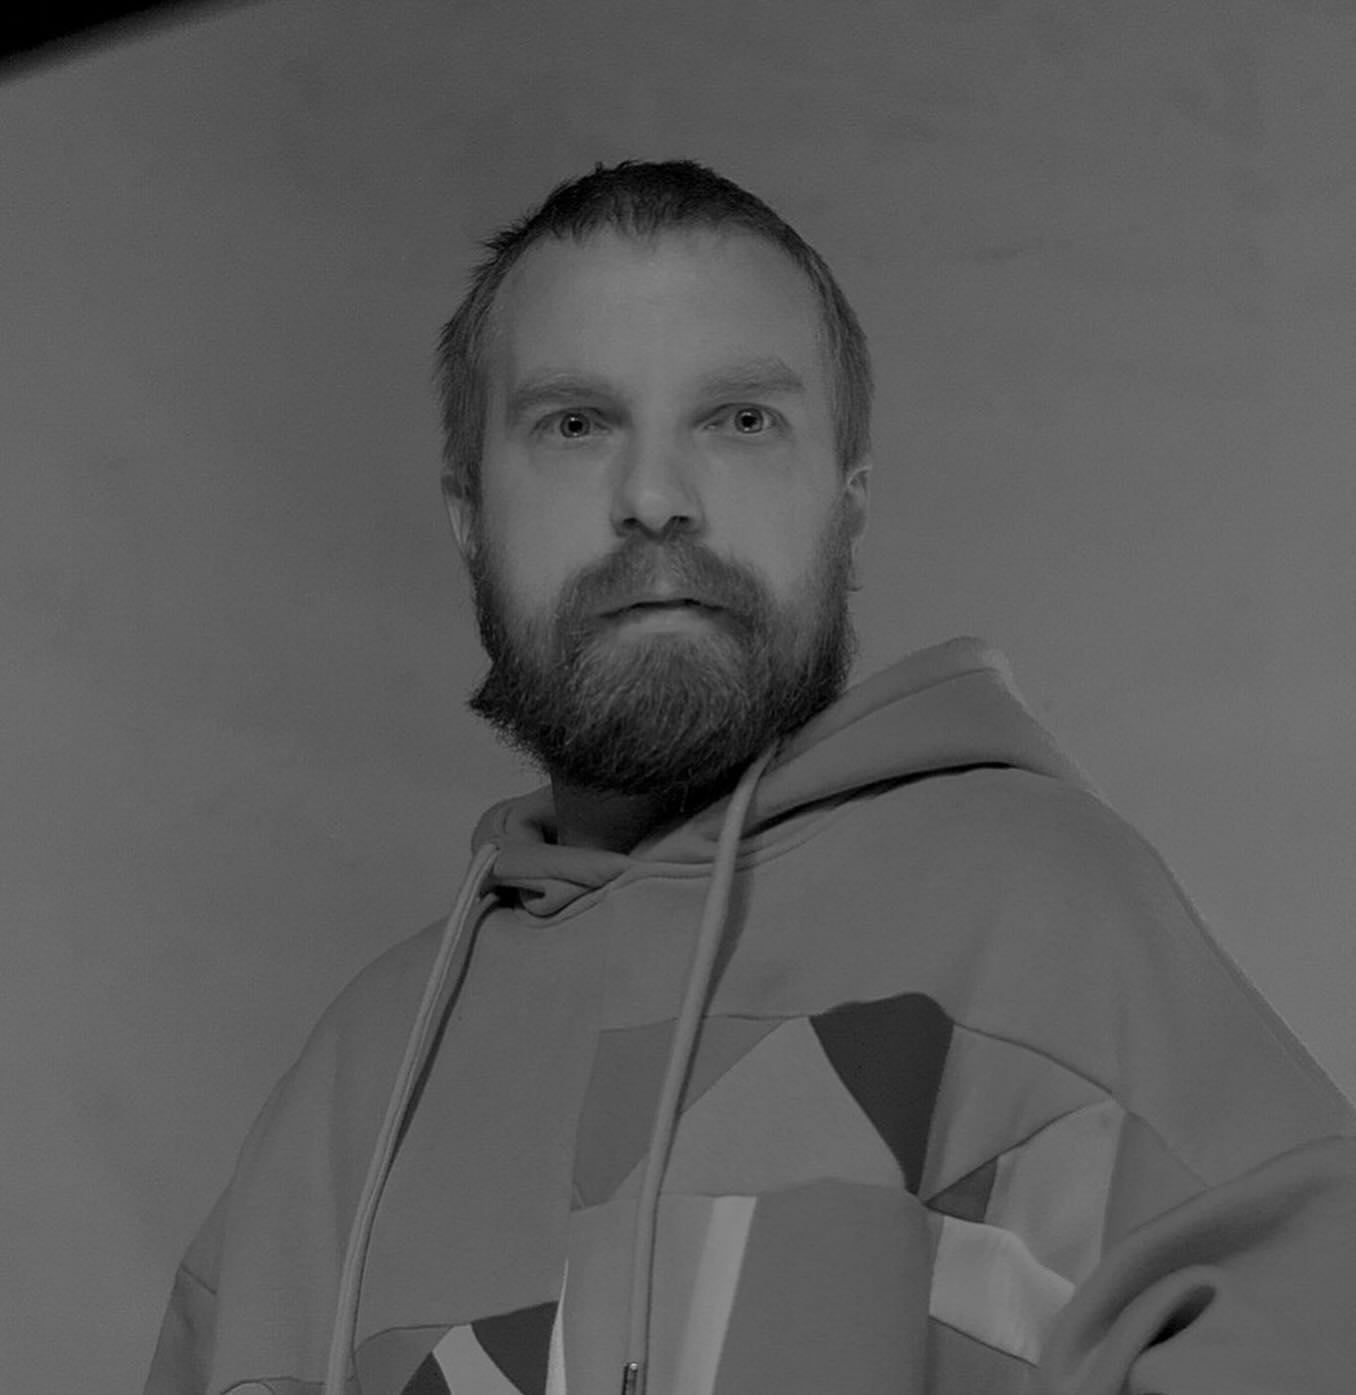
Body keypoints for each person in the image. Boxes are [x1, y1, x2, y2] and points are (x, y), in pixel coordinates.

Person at [143, 159, 1356, 1395]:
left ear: (847, 501)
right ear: (468, 514)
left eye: (739, 421)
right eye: (575, 424)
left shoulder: (1041, 922)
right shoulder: (350, 1090)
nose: (654, 498)